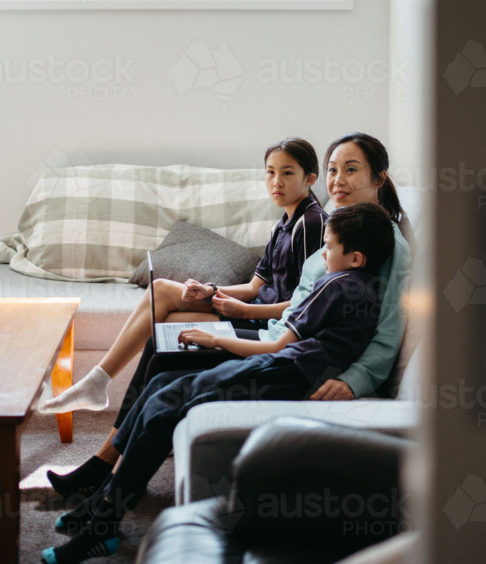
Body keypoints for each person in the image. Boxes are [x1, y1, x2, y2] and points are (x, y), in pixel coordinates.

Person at [44, 132, 413, 519]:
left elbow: (388, 329)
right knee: (162, 347)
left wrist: (356, 379)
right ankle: (107, 466)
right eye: (334, 169)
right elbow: (284, 296)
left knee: (165, 360)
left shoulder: (382, 245)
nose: (337, 180)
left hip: (289, 354)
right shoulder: (338, 229)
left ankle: (107, 475)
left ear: (380, 178)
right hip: (278, 338)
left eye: (351, 170)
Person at [40, 203, 397, 564]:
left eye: (329, 246)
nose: (323, 253)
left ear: (355, 257)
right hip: (287, 370)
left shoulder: (335, 285)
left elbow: (277, 346)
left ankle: (103, 526)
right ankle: (102, 499)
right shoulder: (361, 287)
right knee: (162, 381)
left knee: (165, 405)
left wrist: (216, 340)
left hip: (282, 373)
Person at [39, 138, 328, 494]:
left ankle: (106, 456)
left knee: (163, 336)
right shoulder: (284, 221)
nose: (276, 183)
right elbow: (255, 284)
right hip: (254, 312)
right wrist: (210, 291)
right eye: (270, 173)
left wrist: (240, 310)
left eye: (287, 173)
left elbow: (302, 303)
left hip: (266, 325)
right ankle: (102, 409)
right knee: (162, 296)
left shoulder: (311, 224)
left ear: (309, 178)